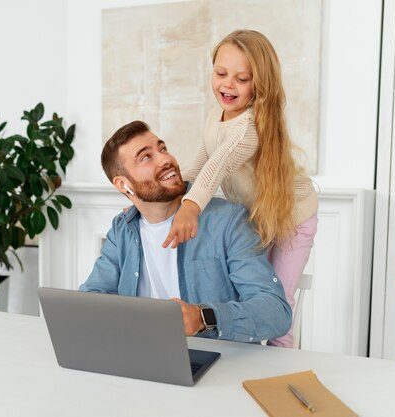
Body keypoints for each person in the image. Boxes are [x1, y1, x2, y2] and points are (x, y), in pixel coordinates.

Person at [163, 30, 318, 348]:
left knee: (278, 304)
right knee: (251, 295)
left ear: (258, 84)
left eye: (241, 78)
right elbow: (195, 167)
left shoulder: (250, 127)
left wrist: (190, 207)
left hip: (294, 219)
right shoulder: (213, 119)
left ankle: (280, 374)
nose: (227, 84)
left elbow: (215, 168)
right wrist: (162, 201)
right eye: (220, 73)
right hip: (262, 217)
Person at [80, 121, 291, 343]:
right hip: (144, 355)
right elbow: (92, 297)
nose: (166, 159)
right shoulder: (123, 229)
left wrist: (203, 317)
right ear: (124, 185)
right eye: (146, 157)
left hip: (216, 361)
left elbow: (276, 312)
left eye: (162, 149)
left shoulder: (228, 220)